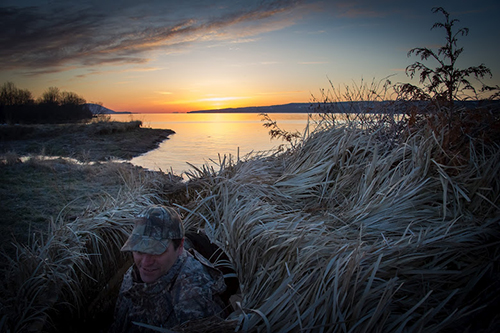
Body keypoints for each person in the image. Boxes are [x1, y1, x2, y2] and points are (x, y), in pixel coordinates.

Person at [109, 205, 227, 332]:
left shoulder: (195, 296)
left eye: (156, 251)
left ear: (180, 246)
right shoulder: (132, 275)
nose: (145, 262)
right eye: (139, 250)